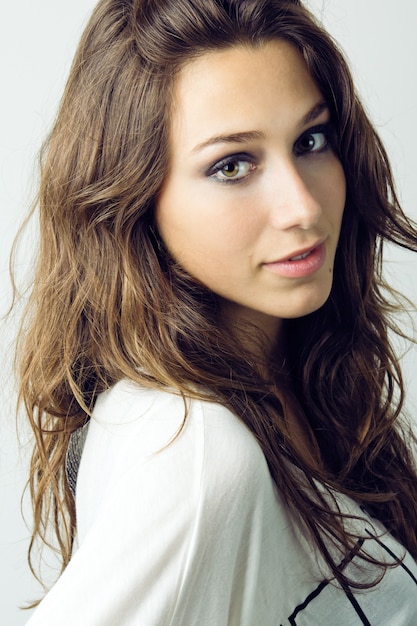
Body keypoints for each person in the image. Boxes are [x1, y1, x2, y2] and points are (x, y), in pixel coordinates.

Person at [16, 0, 417, 624]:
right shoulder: (194, 449)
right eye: (232, 165)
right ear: (136, 197)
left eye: (311, 140)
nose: (302, 208)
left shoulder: (297, 378)